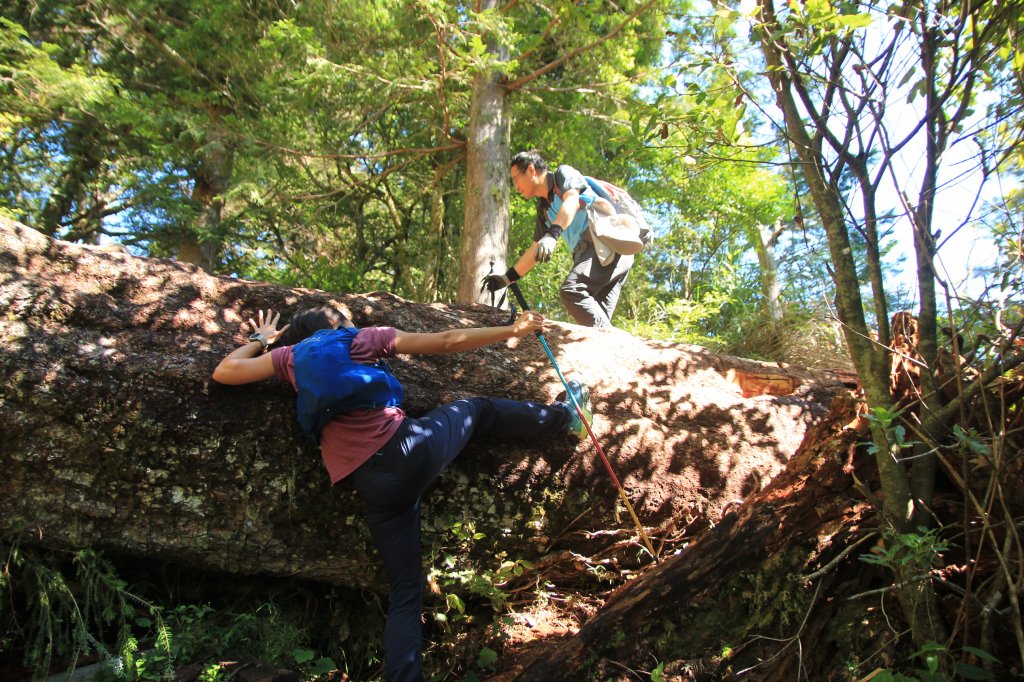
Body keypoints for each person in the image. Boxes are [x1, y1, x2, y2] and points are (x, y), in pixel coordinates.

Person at [211, 306, 592, 682]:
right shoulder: (362, 339)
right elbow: (444, 341)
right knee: (478, 410)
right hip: (410, 449)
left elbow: (224, 372)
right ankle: (565, 417)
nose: (353, 322)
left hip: (373, 484)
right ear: (339, 323)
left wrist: (262, 340)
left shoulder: (289, 358)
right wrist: (512, 330)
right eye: (347, 317)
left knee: (405, 590)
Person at [483, 150, 635, 328]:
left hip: (607, 245)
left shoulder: (563, 175)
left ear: (531, 170)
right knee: (594, 321)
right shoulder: (544, 209)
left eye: (516, 178)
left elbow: (572, 201)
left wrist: (552, 235)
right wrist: (506, 278)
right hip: (594, 255)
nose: (515, 187)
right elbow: (535, 249)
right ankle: (613, 347)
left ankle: (612, 341)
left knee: (573, 290)